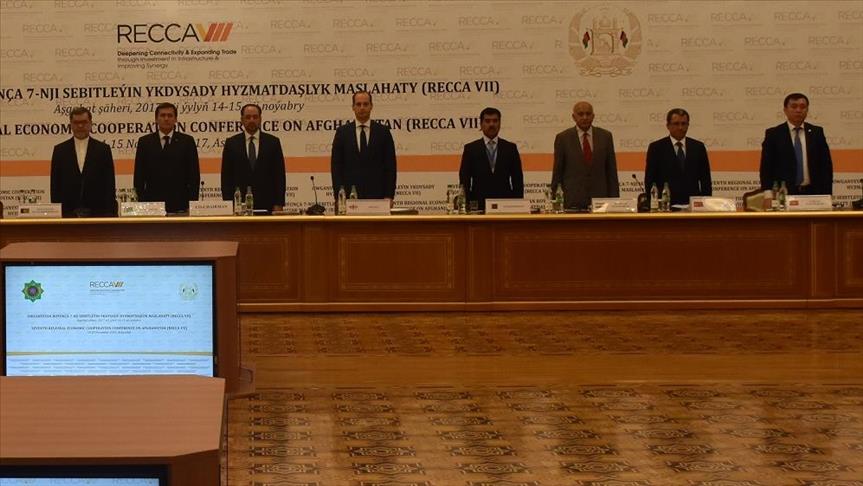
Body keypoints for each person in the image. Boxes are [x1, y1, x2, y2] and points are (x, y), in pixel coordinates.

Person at [760, 93, 833, 195]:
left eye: (803, 107)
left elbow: (826, 166)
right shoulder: (774, 134)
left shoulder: (817, 132)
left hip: (813, 192)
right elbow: (766, 167)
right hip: (783, 193)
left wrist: (827, 194)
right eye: (794, 106)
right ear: (785, 110)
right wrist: (767, 193)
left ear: (807, 110)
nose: (798, 110)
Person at [330, 90, 397, 202]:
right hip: (349, 197)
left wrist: (389, 196)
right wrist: (339, 196)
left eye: (365, 104)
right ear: (353, 107)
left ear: (371, 106)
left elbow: (390, 167)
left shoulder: (383, 132)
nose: (362, 108)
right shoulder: (342, 133)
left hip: (378, 197)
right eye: (358, 104)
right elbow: (336, 167)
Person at [551, 101, 619, 209]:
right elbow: (557, 173)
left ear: (593, 116)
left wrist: (615, 202)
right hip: (572, 201)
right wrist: (555, 202)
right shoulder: (563, 138)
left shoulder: (605, 136)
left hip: (601, 202)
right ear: (574, 117)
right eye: (580, 114)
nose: (585, 117)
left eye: (588, 114)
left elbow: (611, 173)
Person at [133, 102, 200, 212]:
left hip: (180, 203)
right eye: (162, 115)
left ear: (175, 119)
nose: (166, 119)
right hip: (152, 204)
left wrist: (192, 204)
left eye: (170, 115)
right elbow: (139, 176)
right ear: (156, 119)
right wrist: (141, 203)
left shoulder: (187, 141)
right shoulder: (145, 142)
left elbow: (194, 176)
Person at [50, 107, 116, 217]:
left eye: (84, 122)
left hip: (98, 213)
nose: (80, 126)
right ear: (71, 125)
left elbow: (109, 183)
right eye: (76, 123)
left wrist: (109, 213)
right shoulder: (60, 151)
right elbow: (55, 185)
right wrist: (57, 213)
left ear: (90, 124)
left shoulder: (103, 150)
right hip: (68, 213)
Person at [221, 104, 286, 211]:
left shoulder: (273, 142)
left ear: (260, 119)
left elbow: (279, 176)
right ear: (242, 120)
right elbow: (226, 178)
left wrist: (279, 203)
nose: (252, 120)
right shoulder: (231, 143)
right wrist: (228, 205)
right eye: (248, 117)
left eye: (255, 117)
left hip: (267, 204)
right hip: (239, 205)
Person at [458, 107, 524, 210]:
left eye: (495, 121)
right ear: (481, 124)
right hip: (478, 205)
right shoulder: (471, 149)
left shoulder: (510, 148)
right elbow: (464, 180)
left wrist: (517, 205)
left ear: (500, 123)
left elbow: (518, 180)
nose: (491, 124)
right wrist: (467, 204)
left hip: (505, 205)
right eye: (487, 121)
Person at [644, 108, 712, 206]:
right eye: (676, 124)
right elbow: (650, 180)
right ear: (668, 126)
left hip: (693, 206)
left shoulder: (698, 147)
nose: (680, 127)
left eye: (684, 124)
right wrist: (654, 204)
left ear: (688, 125)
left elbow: (706, 181)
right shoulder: (656, 148)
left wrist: (705, 204)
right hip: (666, 206)